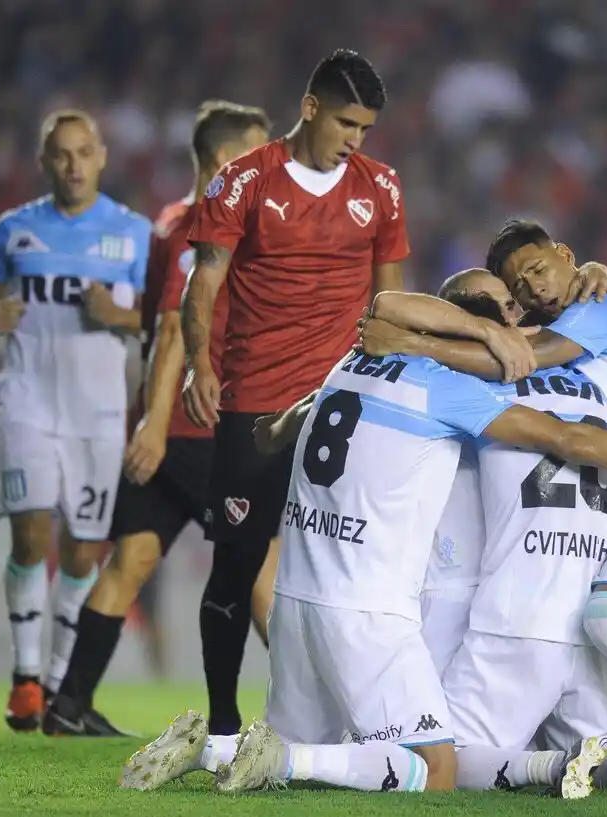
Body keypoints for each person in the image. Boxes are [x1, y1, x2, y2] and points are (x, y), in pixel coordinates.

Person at [120, 270, 607, 795]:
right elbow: (568, 439)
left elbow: (302, 406)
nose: (518, 314)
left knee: (321, 746)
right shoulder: (456, 390)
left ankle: (211, 751)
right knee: (437, 765)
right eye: (504, 307)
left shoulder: (354, 360)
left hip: (298, 600)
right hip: (376, 609)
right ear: (473, 324)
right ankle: (281, 757)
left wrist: (273, 431)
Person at [359, 222, 607, 791]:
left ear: (566, 254)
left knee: (606, 624)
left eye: (539, 271)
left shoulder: (601, 308)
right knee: (590, 645)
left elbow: (517, 358)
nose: (533, 291)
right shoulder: (591, 299)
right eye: (518, 287)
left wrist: (412, 346)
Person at [179, 49, 408, 739]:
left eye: (365, 129)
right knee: (238, 564)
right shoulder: (242, 182)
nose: (355, 140)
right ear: (309, 107)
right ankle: (222, 727)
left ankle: (347, 722)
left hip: (342, 408)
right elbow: (205, 283)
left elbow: (390, 298)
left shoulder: (382, 187)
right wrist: (199, 363)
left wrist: (388, 384)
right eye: (345, 122)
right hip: (254, 403)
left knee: (351, 570)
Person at [42, 101, 272, 736]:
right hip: (198, 427)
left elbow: (148, 317)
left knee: (131, 561)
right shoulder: (204, 226)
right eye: (259, 151)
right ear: (227, 161)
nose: (271, 162)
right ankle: (311, 708)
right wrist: (157, 422)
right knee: (259, 558)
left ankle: (69, 705)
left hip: (166, 427)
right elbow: (173, 326)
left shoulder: (170, 221)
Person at [0, 110, 150, 731]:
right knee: (30, 537)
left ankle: (57, 686)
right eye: (60, 155)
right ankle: (24, 680)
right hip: (26, 403)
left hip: (97, 415)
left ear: (101, 157)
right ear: (45, 163)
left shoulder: (132, 234)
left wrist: (118, 316)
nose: (73, 165)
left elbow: (162, 320)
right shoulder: (15, 230)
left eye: (83, 153)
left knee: (82, 553)